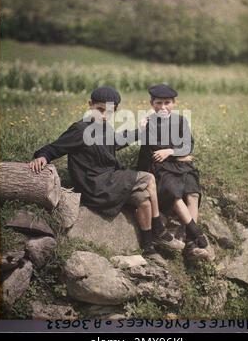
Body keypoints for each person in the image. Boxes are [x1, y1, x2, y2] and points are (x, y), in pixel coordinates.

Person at [29, 86, 183, 261]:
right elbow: (55, 147)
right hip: (94, 184)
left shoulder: (105, 127)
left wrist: (141, 132)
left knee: (144, 198)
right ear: (90, 105)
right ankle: (160, 231)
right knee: (148, 178)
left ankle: (148, 247)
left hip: (108, 181)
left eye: (109, 112)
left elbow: (116, 142)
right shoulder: (80, 129)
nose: (103, 115)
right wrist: (42, 156)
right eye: (100, 110)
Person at [137, 84, 210, 260]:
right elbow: (153, 153)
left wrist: (171, 152)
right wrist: (142, 129)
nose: (163, 107)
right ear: (151, 103)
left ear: (174, 103)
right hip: (160, 168)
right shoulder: (148, 123)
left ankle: (191, 242)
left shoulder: (181, 121)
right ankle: (196, 232)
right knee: (174, 193)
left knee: (192, 193)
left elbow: (187, 146)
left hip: (178, 164)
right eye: (158, 103)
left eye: (167, 102)